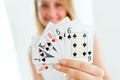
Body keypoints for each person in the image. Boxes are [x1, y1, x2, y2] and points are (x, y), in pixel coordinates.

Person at [29, 0, 111, 80]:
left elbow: (105, 77)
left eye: (58, 5)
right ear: (37, 10)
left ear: (67, 7)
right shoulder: (34, 49)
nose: (51, 13)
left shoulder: (86, 38)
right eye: (44, 5)